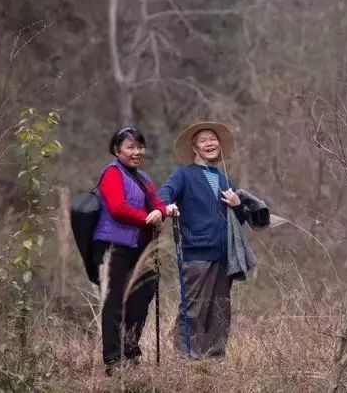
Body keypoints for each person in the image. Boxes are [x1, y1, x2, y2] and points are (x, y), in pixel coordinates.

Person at [159, 121, 247, 360]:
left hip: (223, 254)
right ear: (195, 148)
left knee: (220, 308)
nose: (210, 144)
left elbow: (242, 216)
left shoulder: (224, 178)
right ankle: (186, 357)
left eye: (213, 139)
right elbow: (164, 193)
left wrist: (239, 205)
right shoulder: (183, 174)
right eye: (204, 140)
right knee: (194, 307)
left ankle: (214, 357)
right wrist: (168, 206)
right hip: (196, 251)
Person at [92, 127, 167, 374]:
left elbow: (158, 204)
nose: (137, 152)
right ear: (117, 150)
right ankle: (114, 361)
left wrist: (163, 212)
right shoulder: (111, 174)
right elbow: (118, 208)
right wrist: (149, 218)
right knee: (113, 303)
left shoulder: (144, 178)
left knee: (140, 301)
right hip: (114, 247)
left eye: (140, 147)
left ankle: (131, 353)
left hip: (141, 249)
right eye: (130, 147)